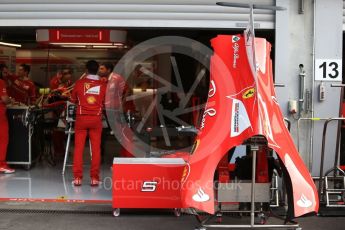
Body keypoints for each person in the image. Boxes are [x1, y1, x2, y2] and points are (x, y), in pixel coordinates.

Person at [70, 60, 106, 186]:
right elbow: (106, 102)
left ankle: (77, 178)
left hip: (81, 119)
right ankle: (94, 178)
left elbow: (73, 99)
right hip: (96, 119)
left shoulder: (79, 83)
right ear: (97, 70)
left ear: (86, 69)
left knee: (79, 148)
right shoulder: (103, 84)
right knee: (96, 149)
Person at [0, 76, 15, 173]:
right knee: (3, 139)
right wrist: (10, 100)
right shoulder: (0, 82)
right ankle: (1, 164)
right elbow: (5, 99)